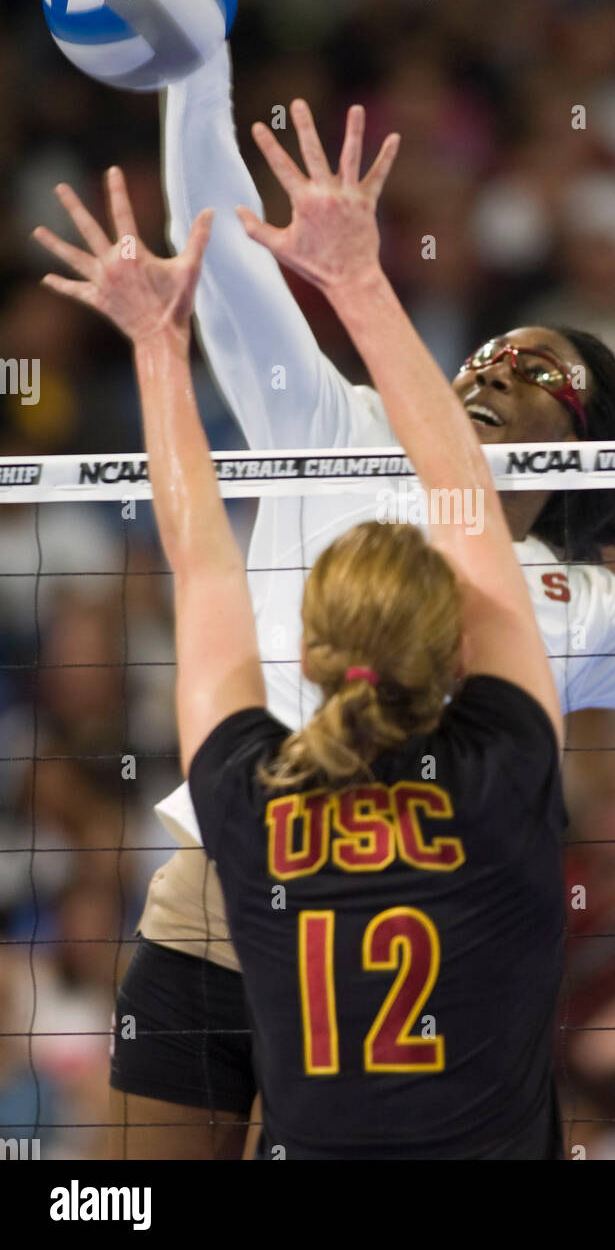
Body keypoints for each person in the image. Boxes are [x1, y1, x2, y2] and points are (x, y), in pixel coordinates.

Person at [47, 0, 615, 1160]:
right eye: (487, 353)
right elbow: (215, 239)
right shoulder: (336, 424)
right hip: (223, 891)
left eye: (538, 370)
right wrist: (195, 50)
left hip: (409, 936)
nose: (492, 370)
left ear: (581, 453)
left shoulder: (577, 602)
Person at [34, 108, 568, 1160]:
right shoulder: (508, 762)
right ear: (455, 647)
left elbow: (199, 559)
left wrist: (154, 343)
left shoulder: (247, 798)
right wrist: (362, 284)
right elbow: (466, 503)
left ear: (310, 661)